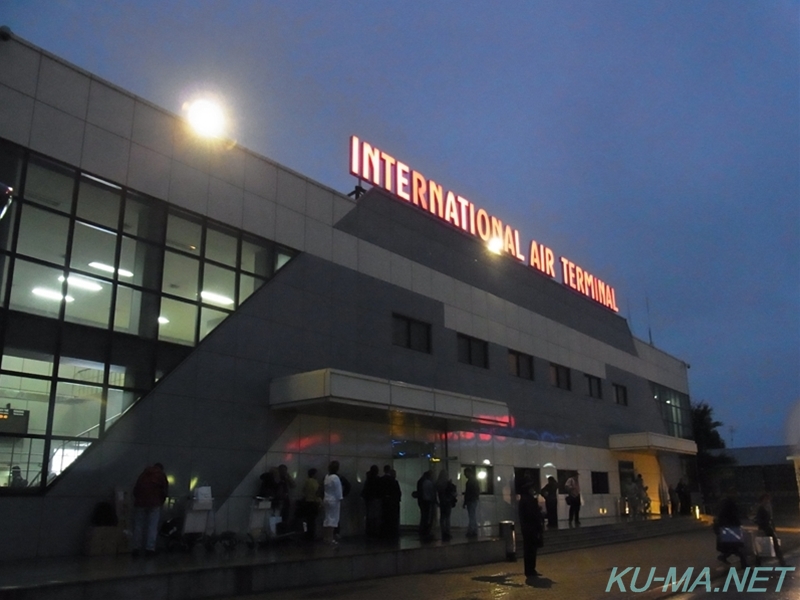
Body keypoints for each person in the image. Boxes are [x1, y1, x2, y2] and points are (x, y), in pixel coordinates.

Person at [131, 462, 168, 557]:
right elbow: (164, 491)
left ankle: (136, 548)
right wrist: (161, 502)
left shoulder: (144, 474)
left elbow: (136, 489)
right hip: (155, 503)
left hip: (140, 502)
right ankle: (150, 549)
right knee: (152, 526)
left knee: (138, 526)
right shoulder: (161, 475)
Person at [518, 480, 545, 582]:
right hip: (531, 528)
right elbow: (532, 514)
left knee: (530, 550)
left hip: (528, 529)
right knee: (531, 550)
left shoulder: (525, 500)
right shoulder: (528, 500)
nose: (533, 490)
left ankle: (530, 569)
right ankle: (530, 569)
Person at [715, 489, 747, 568]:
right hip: (730, 527)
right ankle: (745, 566)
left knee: (734, 547)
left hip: (729, 527)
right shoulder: (729, 503)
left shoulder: (725, 502)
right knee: (737, 547)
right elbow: (732, 515)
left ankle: (724, 556)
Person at [753, 493, 787, 567]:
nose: (768, 501)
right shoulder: (761, 509)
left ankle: (782, 563)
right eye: (766, 499)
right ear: (762, 500)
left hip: (768, 529)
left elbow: (770, 519)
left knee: (773, 547)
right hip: (764, 530)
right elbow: (758, 520)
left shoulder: (766, 508)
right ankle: (758, 563)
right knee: (764, 547)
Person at [323, 461, 343, 545]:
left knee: (327, 518)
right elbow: (338, 490)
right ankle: (330, 538)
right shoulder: (336, 477)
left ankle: (326, 537)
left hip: (326, 499)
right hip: (334, 500)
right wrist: (340, 498)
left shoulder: (327, 476)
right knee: (333, 520)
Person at [298, 468, 321, 541]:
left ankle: (308, 534)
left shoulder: (307, 481)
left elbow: (303, 491)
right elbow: (317, 492)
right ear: (314, 474)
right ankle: (312, 535)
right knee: (312, 520)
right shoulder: (315, 482)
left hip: (307, 502)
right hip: (313, 502)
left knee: (309, 520)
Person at [379, 466, 401, 539]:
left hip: (384, 501)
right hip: (392, 502)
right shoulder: (393, 481)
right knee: (392, 518)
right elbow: (398, 492)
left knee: (385, 517)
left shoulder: (381, 480)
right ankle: (392, 532)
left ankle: (384, 532)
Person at [361, 465, 382, 538]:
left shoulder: (368, 479)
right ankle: (375, 532)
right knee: (376, 516)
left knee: (370, 516)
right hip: (376, 499)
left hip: (369, 500)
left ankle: (369, 532)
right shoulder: (378, 479)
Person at [435, 470, 456, 541]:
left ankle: (443, 532)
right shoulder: (448, 483)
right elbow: (453, 493)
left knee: (442, 518)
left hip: (442, 502)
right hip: (448, 502)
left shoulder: (438, 484)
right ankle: (447, 532)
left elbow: (437, 493)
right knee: (447, 518)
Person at [416, 469, 436, 542]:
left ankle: (422, 530)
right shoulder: (429, 483)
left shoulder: (421, 481)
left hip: (422, 501)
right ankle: (426, 530)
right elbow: (432, 493)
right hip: (428, 501)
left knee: (423, 516)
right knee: (427, 517)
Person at [463, 467, 480, 538]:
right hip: (474, 500)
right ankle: (474, 530)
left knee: (471, 516)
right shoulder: (475, 481)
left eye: (465, 473)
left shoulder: (469, 482)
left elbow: (468, 493)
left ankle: (472, 530)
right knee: (473, 515)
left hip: (471, 500)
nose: (465, 475)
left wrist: (465, 502)